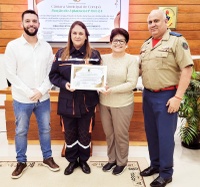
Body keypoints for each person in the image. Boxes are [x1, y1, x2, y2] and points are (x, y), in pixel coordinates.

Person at [139, 9, 193, 187]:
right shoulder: (146, 45)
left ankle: (166, 173)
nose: (152, 24)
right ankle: (154, 165)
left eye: (156, 21)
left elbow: (187, 68)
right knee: (152, 135)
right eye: (150, 22)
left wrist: (178, 97)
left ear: (166, 22)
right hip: (147, 95)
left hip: (167, 96)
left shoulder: (177, 41)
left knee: (165, 137)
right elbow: (141, 69)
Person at [4, 9, 60, 179]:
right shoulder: (13, 46)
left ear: (39, 24)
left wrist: (41, 91)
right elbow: (10, 74)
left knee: (45, 129)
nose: (31, 24)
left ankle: (47, 158)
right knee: (21, 131)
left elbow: (51, 72)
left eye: (34, 21)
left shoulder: (46, 46)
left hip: (43, 98)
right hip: (22, 99)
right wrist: (30, 92)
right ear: (22, 24)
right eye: (27, 21)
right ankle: (21, 161)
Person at [49, 21, 101, 175]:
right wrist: (65, 84)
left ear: (86, 37)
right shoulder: (60, 54)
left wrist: (91, 70)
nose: (77, 36)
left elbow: (100, 77)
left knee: (85, 133)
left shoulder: (94, 55)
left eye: (81, 33)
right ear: (70, 35)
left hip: (87, 103)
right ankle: (72, 161)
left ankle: (83, 161)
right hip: (67, 102)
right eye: (74, 33)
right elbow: (53, 76)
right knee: (70, 133)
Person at [99, 28, 139, 175]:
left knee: (120, 134)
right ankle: (111, 159)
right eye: (115, 40)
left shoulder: (131, 60)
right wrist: (98, 87)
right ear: (110, 43)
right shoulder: (104, 59)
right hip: (104, 103)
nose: (118, 43)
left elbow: (131, 83)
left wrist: (112, 90)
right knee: (109, 134)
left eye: (122, 41)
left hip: (123, 104)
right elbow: (98, 79)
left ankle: (121, 162)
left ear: (126, 44)